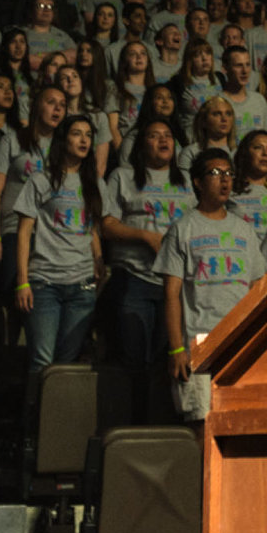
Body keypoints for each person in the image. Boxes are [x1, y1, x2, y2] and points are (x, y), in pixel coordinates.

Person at [158, 147, 267, 432]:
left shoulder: (244, 230)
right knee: (201, 427)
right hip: (199, 345)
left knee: (237, 424)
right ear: (197, 181)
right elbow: (171, 293)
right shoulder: (183, 229)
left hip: (238, 345)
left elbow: (257, 287)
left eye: (229, 173)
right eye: (216, 173)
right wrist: (176, 348)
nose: (225, 180)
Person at [100, 115, 187, 423]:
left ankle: (158, 429)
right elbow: (107, 225)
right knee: (133, 360)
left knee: (166, 362)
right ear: (140, 145)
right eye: (154, 135)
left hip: (174, 285)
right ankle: (129, 429)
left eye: (168, 135)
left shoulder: (187, 180)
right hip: (134, 277)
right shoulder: (122, 177)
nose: (163, 140)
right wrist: (145, 236)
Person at [11, 106, 104, 374]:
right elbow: (23, 231)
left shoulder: (94, 183)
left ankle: (57, 417)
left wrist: (99, 261)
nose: (84, 140)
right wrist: (22, 282)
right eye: (77, 134)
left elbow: (93, 228)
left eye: (88, 135)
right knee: (42, 362)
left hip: (82, 285)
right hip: (44, 284)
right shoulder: (41, 179)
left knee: (66, 364)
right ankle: (32, 416)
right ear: (63, 140)